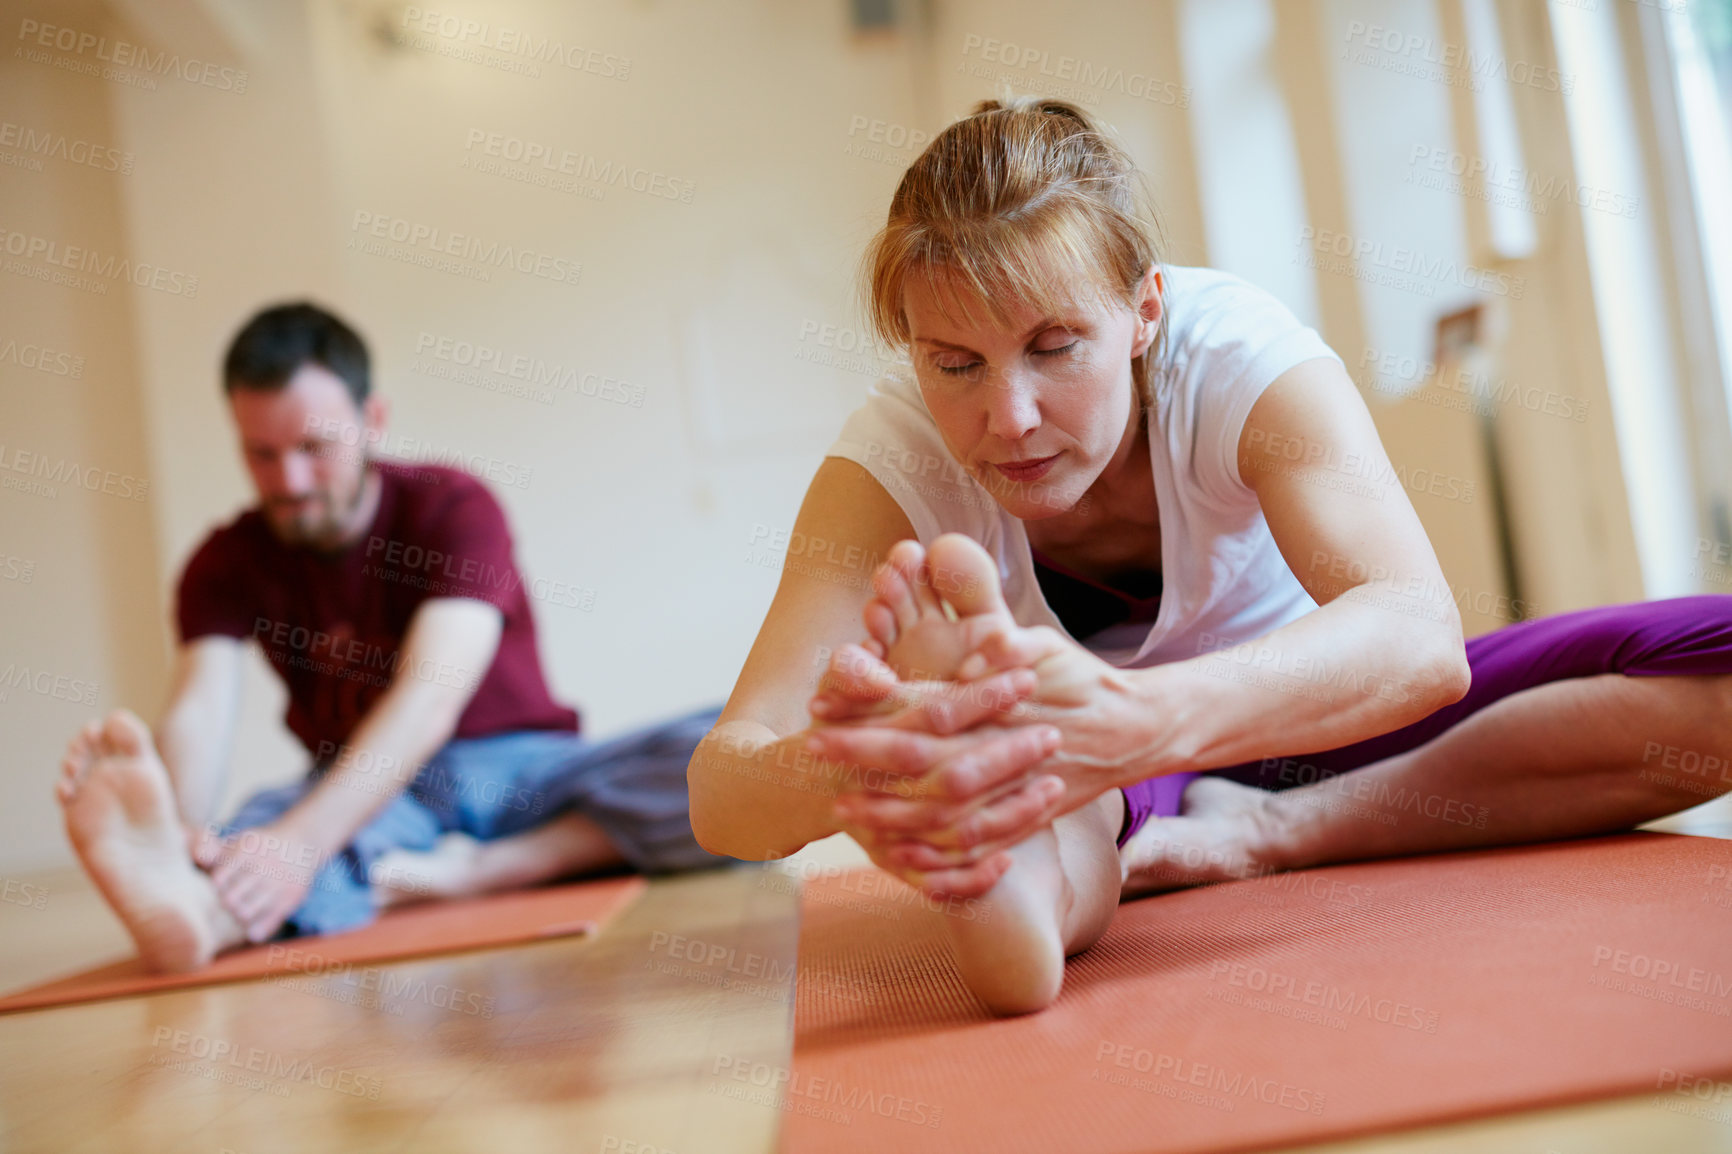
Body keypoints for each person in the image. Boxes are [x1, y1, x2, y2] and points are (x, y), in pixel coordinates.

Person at [688, 95, 1732, 1015]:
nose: (1007, 416)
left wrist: (1138, 718)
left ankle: (1269, 828)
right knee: (1054, 796)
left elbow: (1418, 636)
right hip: (1094, 781)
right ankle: (1013, 881)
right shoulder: (891, 459)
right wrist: (888, 753)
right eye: (953, 362)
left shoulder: (1236, 358)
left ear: (1144, 310)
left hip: (1314, 722)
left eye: (1054, 348)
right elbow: (722, 788)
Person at [57, 302, 726, 973]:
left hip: (526, 775)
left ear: (372, 420)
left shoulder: (455, 508)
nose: (288, 482)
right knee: (256, 831)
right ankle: (197, 912)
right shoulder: (223, 561)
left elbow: (429, 700)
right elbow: (199, 711)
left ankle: (491, 869)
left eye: (313, 450)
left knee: (737, 752)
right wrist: (180, 827)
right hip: (382, 794)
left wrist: (304, 843)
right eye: (261, 455)